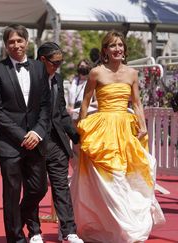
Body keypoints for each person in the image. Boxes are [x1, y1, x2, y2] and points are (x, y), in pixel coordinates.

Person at [70, 30, 165, 243]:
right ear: (105, 50)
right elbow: (85, 101)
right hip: (102, 128)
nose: (117, 49)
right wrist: (83, 127)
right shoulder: (96, 72)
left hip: (125, 127)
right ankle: (108, 225)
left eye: (120, 45)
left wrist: (142, 126)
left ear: (125, 49)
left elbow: (137, 103)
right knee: (108, 178)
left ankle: (126, 225)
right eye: (112, 46)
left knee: (126, 176)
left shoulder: (132, 73)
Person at [0, 24, 51, 243]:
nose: (16, 45)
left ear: (27, 42)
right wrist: (22, 135)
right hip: (10, 143)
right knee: (12, 193)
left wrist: (38, 132)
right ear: (6, 46)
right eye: (11, 42)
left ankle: (19, 218)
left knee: (39, 188)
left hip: (36, 140)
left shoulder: (39, 68)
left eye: (19, 40)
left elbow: (45, 105)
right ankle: (15, 237)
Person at [36, 42, 83, 243]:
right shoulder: (29, 80)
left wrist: (76, 136)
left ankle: (69, 230)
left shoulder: (58, 78)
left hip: (56, 142)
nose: (58, 67)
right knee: (36, 189)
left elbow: (61, 113)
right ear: (42, 60)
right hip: (35, 143)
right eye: (55, 63)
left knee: (61, 186)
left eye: (60, 62)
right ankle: (34, 231)